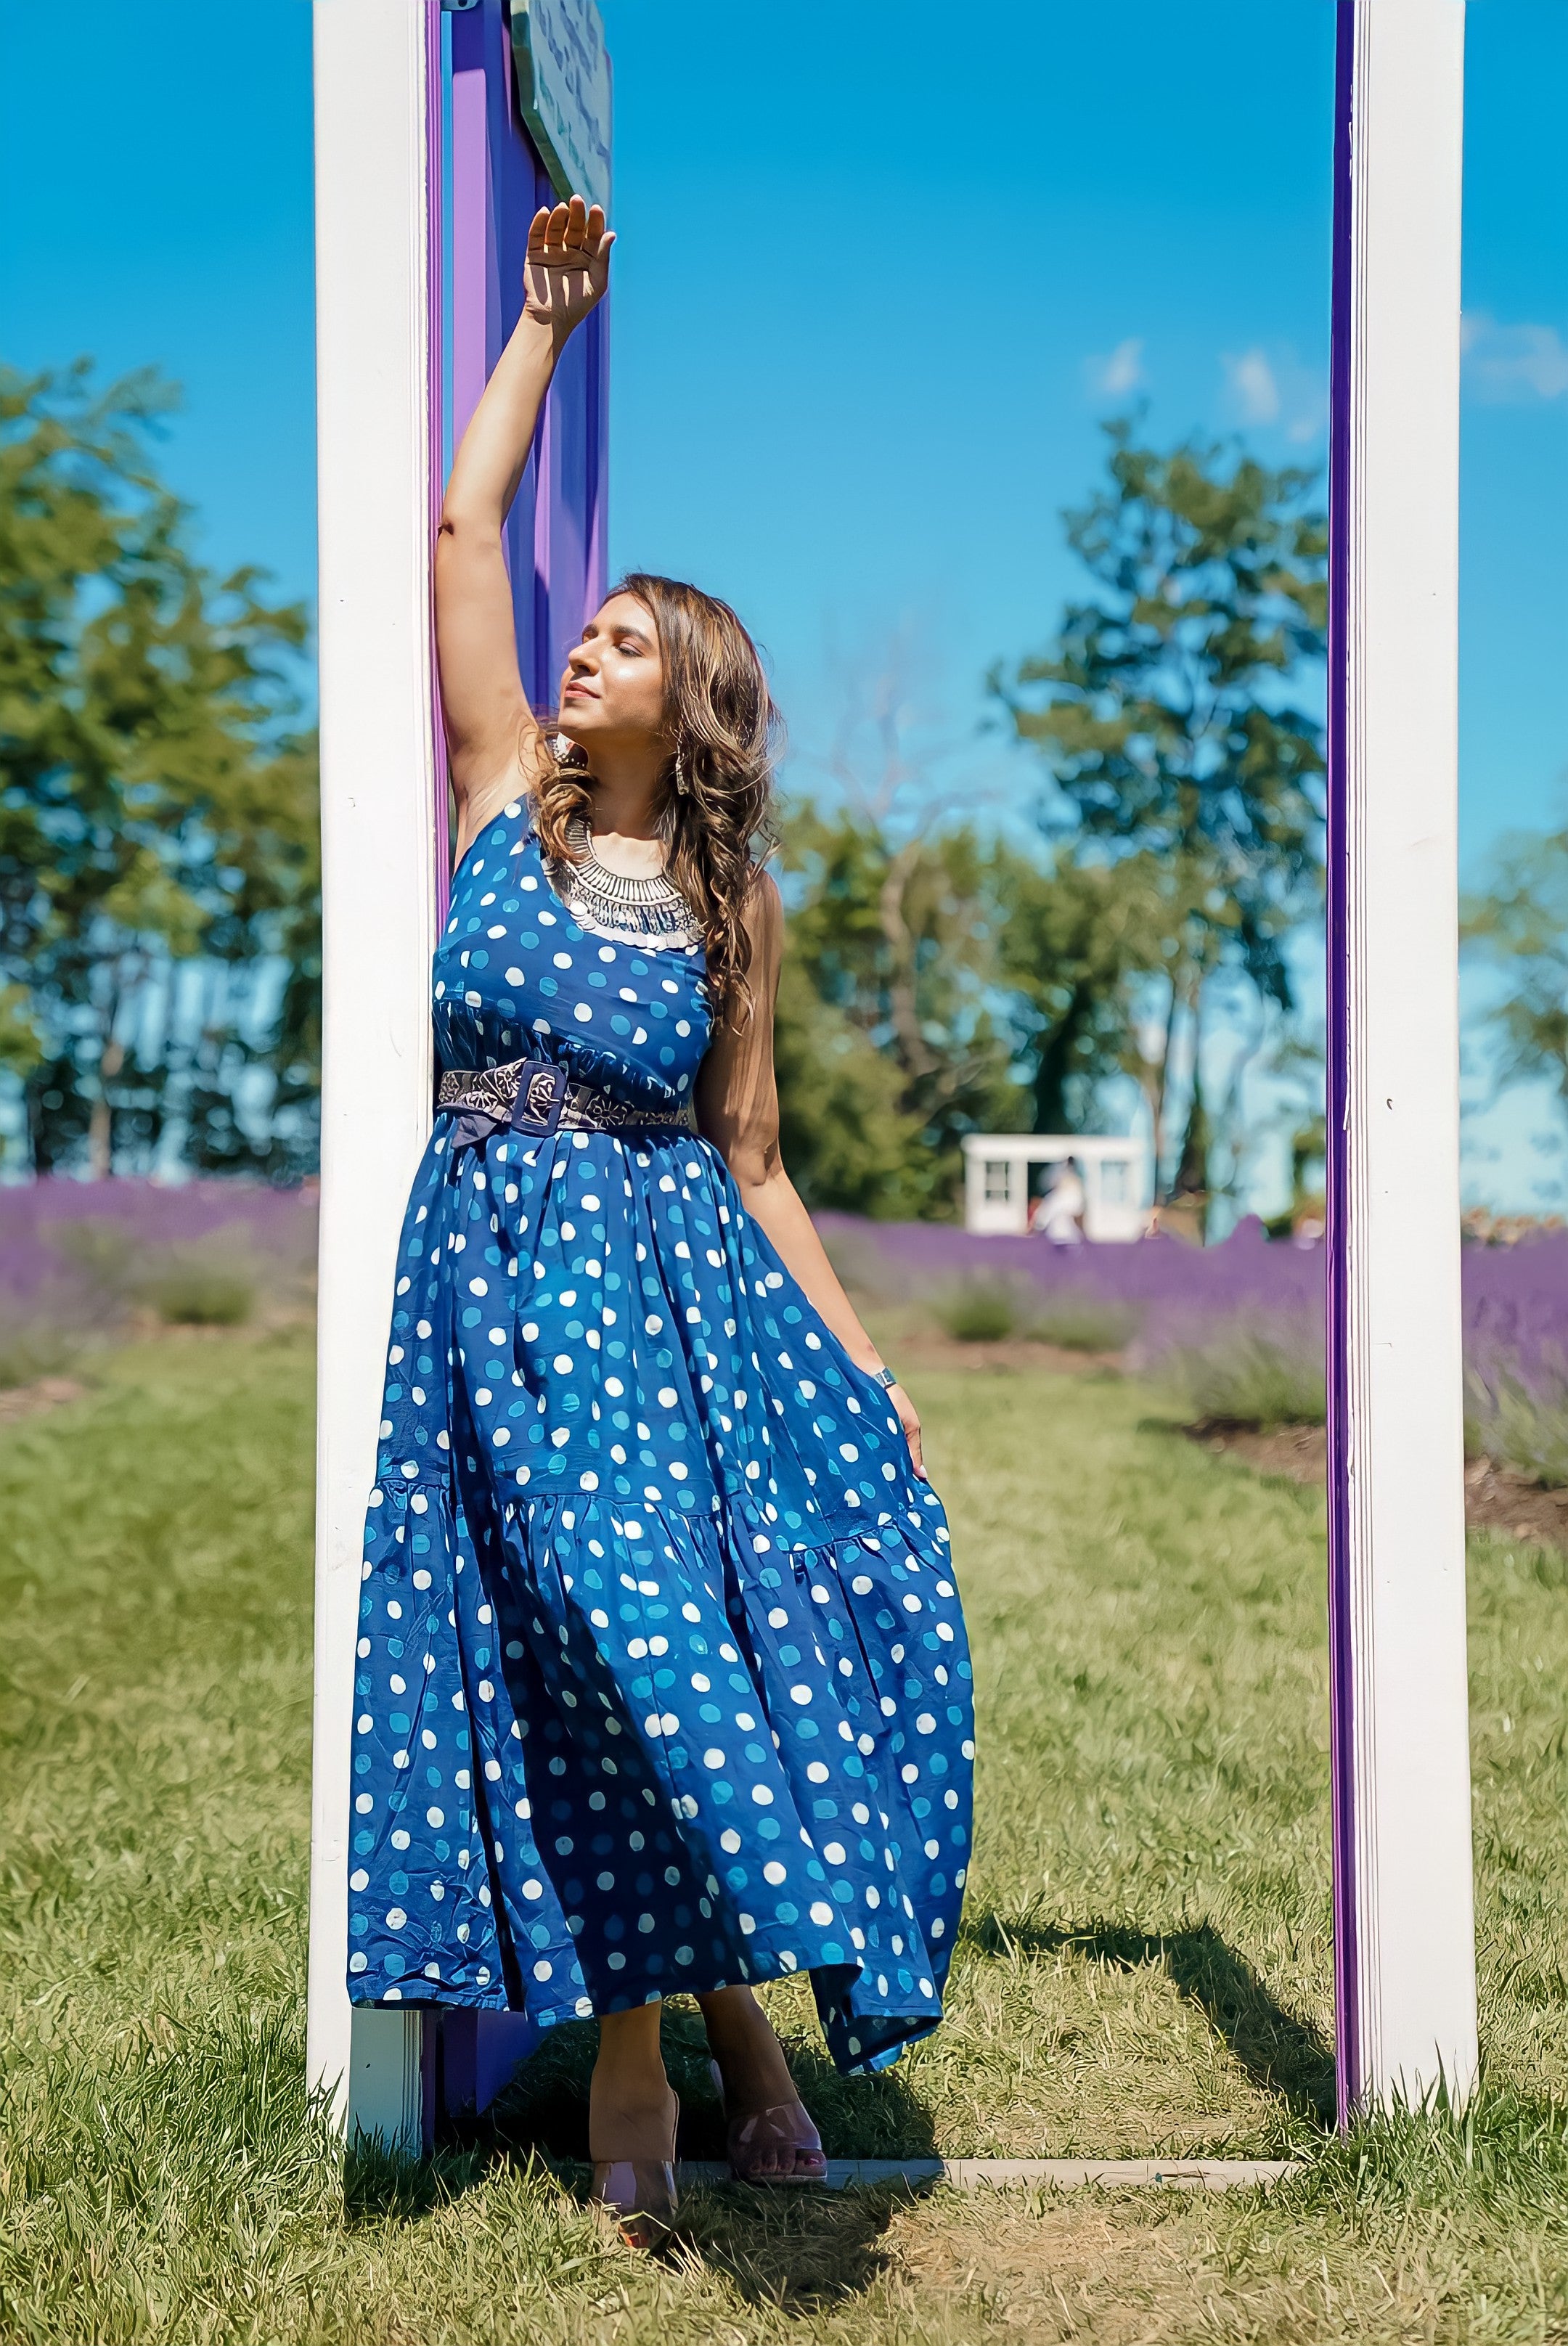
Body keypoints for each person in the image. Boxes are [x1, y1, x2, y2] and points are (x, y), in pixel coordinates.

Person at [347, 198, 973, 2243]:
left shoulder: (730, 908)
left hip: (670, 1293)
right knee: (583, 1650)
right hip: (493, 1277)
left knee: (662, 1645)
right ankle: (727, 2052)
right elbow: (462, 539)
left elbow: (760, 1157)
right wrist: (542, 328)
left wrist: (868, 1365)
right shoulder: (497, 790)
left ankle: (662, 2069)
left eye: (623, 636)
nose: (583, 643)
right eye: (586, 630)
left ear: (682, 699)